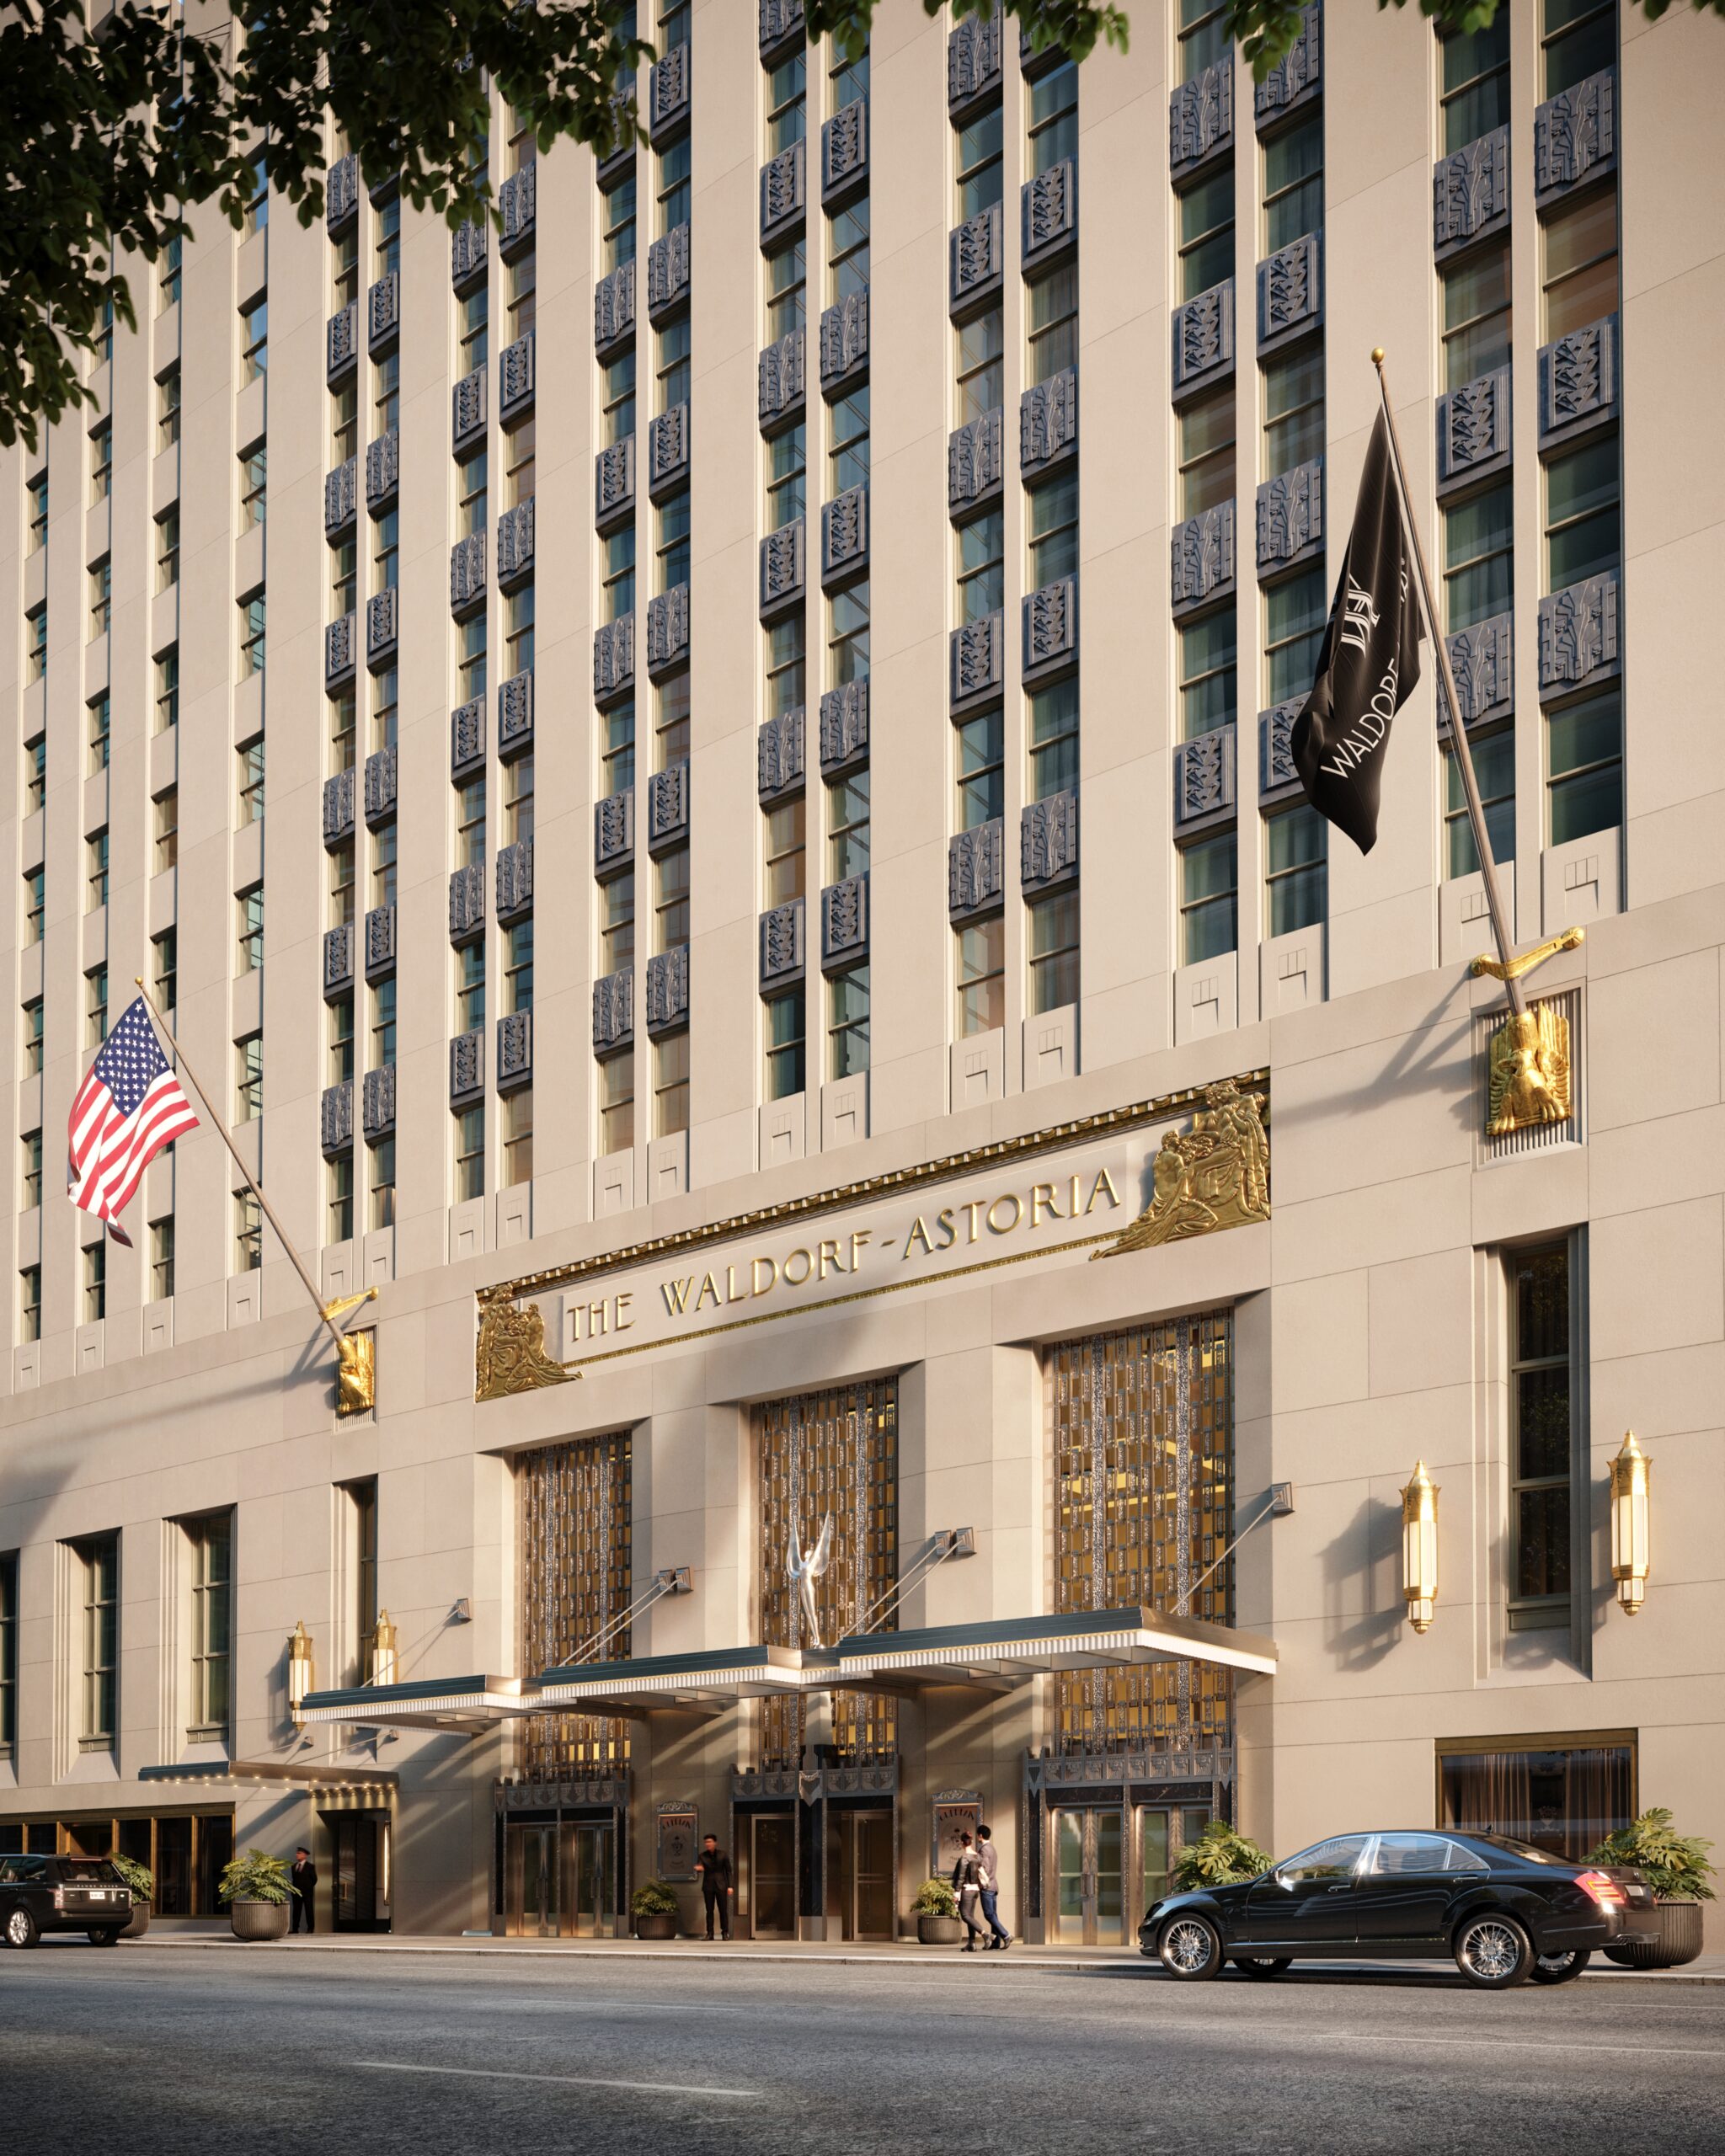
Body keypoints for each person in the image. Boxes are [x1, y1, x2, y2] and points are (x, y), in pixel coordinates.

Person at [975, 1823, 1011, 1950]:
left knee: (989, 1915)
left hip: (987, 1886)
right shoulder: (992, 1848)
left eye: (977, 1835)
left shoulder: (984, 1849)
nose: (977, 1837)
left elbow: (985, 1868)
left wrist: (981, 1882)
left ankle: (1006, 1935)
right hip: (994, 1886)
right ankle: (996, 1943)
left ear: (980, 1835)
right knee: (993, 1915)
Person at [694, 1834, 733, 1940]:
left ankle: (725, 1933)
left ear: (715, 1843)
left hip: (721, 1885)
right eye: (706, 1842)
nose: (708, 1844)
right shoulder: (702, 1856)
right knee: (709, 1910)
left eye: (710, 1842)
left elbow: (728, 1871)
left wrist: (730, 1886)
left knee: (723, 1910)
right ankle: (710, 1933)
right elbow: (699, 1867)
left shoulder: (723, 1855)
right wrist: (698, 1869)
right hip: (708, 1886)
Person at [951, 1832, 985, 1953]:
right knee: (971, 1916)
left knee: (965, 1916)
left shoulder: (965, 1858)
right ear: (971, 1842)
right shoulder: (977, 1856)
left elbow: (960, 1877)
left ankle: (985, 1935)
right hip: (976, 1890)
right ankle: (972, 1944)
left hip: (966, 1889)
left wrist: (956, 1893)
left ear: (962, 1842)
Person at [289, 1845, 317, 1935]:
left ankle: (310, 1928)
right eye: (297, 1853)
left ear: (305, 1855)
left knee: (309, 1910)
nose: (297, 1855)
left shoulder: (310, 1866)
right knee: (296, 1911)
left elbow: (314, 1879)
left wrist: (308, 1887)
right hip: (296, 1893)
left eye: (299, 1853)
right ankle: (295, 1929)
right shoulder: (294, 1866)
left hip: (307, 1893)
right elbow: (295, 1879)